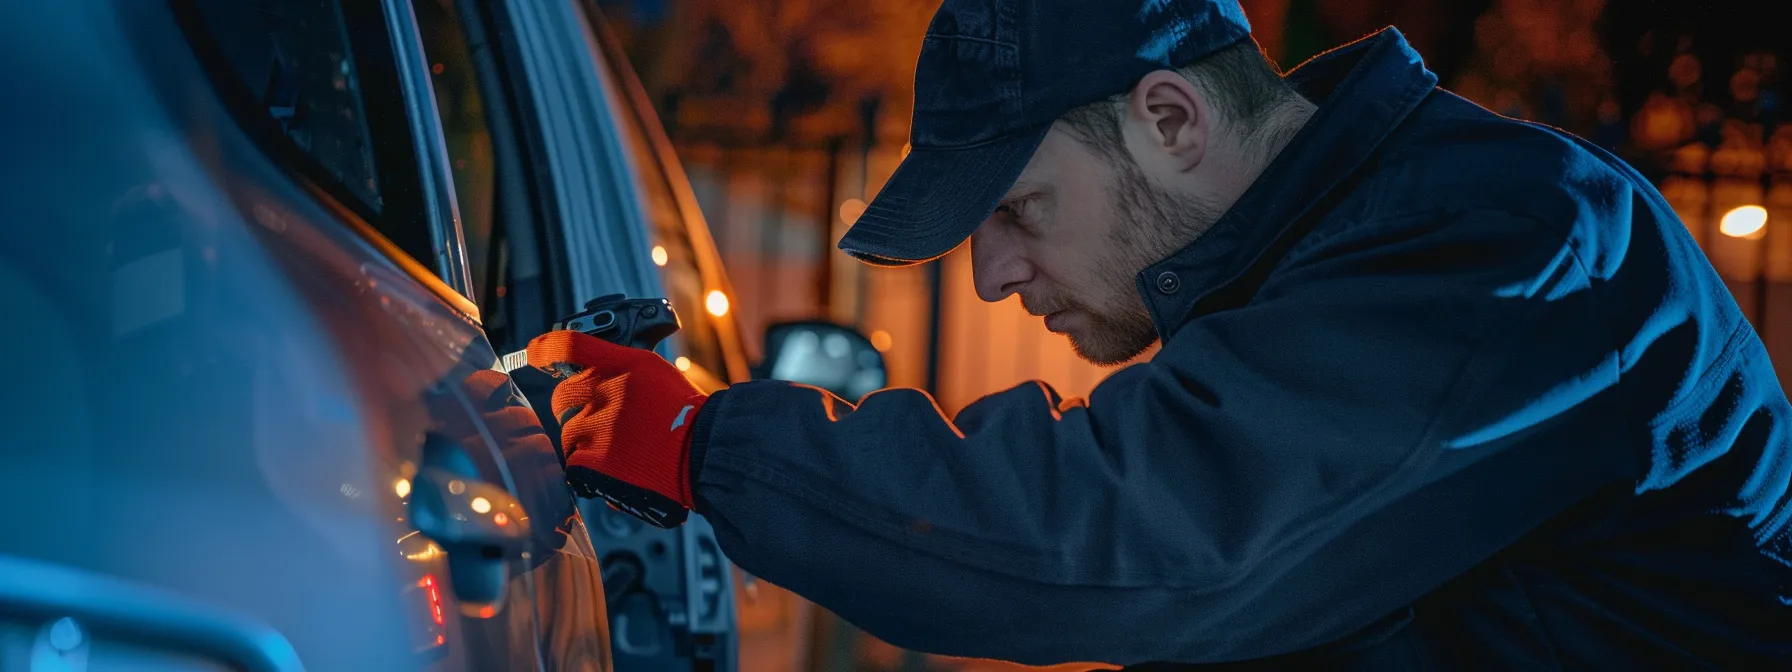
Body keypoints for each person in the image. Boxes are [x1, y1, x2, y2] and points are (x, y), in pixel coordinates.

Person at [523, 0, 1792, 667]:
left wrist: (704, 443)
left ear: (1172, 121)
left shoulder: (1505, 243)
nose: (992, 277)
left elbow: (1139, 533)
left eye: (1019, 208)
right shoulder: (1324, 267)